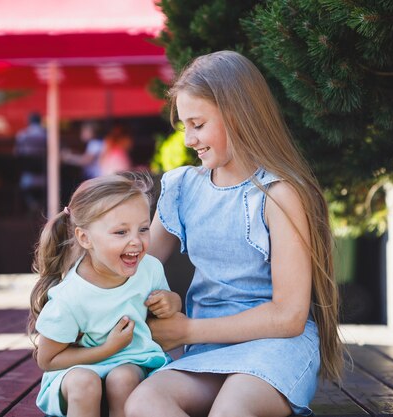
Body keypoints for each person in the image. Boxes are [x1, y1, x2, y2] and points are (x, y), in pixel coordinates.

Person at [124, 50, 344, 417]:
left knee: (232, 409)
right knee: (143, 402)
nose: (189, 139)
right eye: (184, 127)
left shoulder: (279, 194)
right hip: (208, 351)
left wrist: (186, 331)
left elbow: (289, 315)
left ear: (239, 115)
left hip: (276, 347)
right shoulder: (182, 186)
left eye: (198, 124)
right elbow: (137, 263)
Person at [27, 172, 182, 417]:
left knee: (123, 378)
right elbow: (47, 359)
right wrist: (108, 349)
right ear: (85, 238)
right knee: (84, 384)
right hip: (77, 367)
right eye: (121, 232)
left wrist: (172, 302)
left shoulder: (149, 268)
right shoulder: (71, 295)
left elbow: (167, 307)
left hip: (135, 361)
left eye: (143, 229)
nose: (136, 241)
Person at [15, 112, 47, 212]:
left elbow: (17, 153)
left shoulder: (22, 134)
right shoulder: (47, 134)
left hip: (28, 174)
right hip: (44, 173)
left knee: (26, 190)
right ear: (40, 121)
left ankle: (32, 206)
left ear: (29, 121)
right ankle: (41, 209)